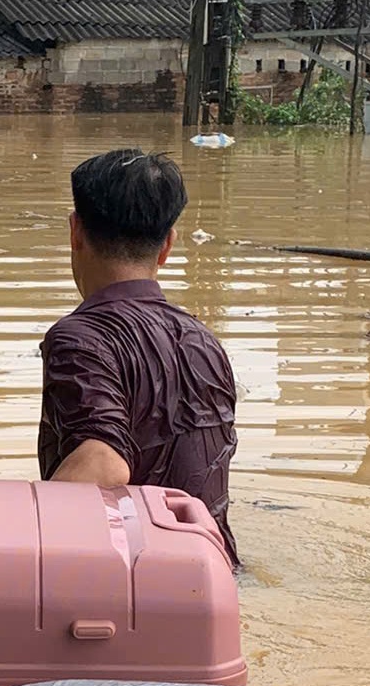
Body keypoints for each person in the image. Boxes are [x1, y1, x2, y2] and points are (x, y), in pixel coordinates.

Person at [39, 149, 239, 562]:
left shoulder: (80, 337)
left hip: (137, 585)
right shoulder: (205, 341)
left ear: (75, 232)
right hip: (216, 573)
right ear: (168, 245)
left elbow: (103, 463)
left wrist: (12, 536)